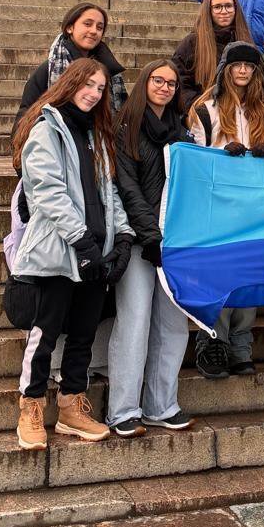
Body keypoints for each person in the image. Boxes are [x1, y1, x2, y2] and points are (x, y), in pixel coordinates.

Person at [10, 57, 135, 449]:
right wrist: (81, 239)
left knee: (83, 334)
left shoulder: (96, 134)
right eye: (88, 85)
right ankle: (30, 407)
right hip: (59, 251)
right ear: (71, 83)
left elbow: (109, 191)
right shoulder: (46, 129)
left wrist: (123, 235)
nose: (94, 93)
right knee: (45, 333)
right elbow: (47, 192)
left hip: (96, 252)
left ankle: (70, 407)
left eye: (100, 88)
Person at [188, 40, 264, 378]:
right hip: (219, 204)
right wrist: (222, 155)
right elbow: (196, 156)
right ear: (225, 69)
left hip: (253, 205)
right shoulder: (205, 108)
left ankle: (241, 343)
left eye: (249, 66)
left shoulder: (261, 108)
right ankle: (214, 340)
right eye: (237, 65)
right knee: (222, 273)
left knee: (250, 273)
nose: (243, 71)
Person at [108, 61, 195, 439]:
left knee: (173, 325)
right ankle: (123, 410)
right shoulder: (125, 128)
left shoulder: (183, 132)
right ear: (145, 82)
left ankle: (162, 405)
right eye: (158, 80)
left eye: (171, 83)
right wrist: (150, 235)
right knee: (135, 321)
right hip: (139, 242)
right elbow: (127, 188)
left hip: (174, 244)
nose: (164, 87)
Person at [16, 2, 127, 122]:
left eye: (99, 27)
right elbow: (26, 114)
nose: (94, 31)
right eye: (87, 24)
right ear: (70, 28)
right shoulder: (49, 69)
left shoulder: (108, 69)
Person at [171, 0, 256, 117]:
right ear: (209, 10)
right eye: (217, 7)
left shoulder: (246, 41)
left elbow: (257, 79)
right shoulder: (192, 43)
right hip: (203, 115)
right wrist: (198, 108)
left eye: (228, 6)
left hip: (240, 115)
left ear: (235, 8)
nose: (224, 11)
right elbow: (179, 80)